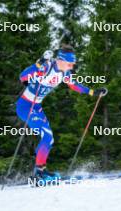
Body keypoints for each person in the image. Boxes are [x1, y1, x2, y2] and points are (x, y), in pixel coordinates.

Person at [16, 44, 107, 180]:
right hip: (25, 106)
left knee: (49, 139)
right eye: (70, 64)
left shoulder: (65, 73)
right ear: (61, 60)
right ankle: (38, 173)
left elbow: (74, 85)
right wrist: (38, 64)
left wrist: (93, 92)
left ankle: (41, 169)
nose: (71, 67)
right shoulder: (47, 66)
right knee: (46, 136)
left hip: (37, 107)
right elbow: (23, 77)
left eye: (73, 64)